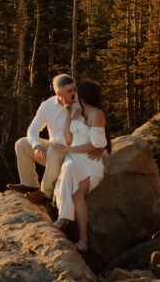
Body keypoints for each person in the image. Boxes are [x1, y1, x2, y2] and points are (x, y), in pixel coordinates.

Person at [10, 74, 103, 203]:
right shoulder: (47, 105)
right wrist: (36, 146)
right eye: (69, 91)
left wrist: (100, 148)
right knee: (22, 143)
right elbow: (32, 129)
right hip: (53, 150)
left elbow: (99, 126)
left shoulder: (81, 104)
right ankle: (30, 184)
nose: (74, 93)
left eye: (74, 89)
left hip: (73, 153)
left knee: (54, 150)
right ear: (59, 93)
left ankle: (45, 193)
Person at [49, 79, 110, 252]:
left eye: (77, 92)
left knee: (77, 192)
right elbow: (68, 138)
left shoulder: (96, 114)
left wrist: (68, 149)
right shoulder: (77, 113)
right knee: (68, 170)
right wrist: (68, 115)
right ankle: (65, 219)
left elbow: (96, 145)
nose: (74, 94)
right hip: (73, 158)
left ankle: (80, 237)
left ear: (84, 95)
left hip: (89, 162)